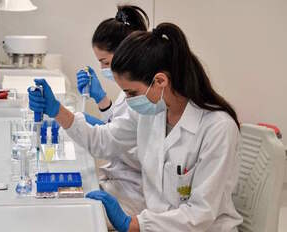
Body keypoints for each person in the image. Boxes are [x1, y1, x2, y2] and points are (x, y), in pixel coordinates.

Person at [28, 22, 243, 232]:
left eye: (131, 93)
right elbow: (104, 141)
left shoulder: (217, 128)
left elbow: (199, 215)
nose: (128, 101)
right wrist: (57, 110)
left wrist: (133, 224)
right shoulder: (152, 113)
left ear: (160, 81)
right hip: (156, 224)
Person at [76, 5, 149, 217]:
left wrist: (100, 130)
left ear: (124, 53)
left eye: (105, 62)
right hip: (119, 182)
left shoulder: (145, 92)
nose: (103, 69)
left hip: (134, 193)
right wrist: (101, 100)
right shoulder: (129, 90)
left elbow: (138, 151)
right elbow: (122, 125)